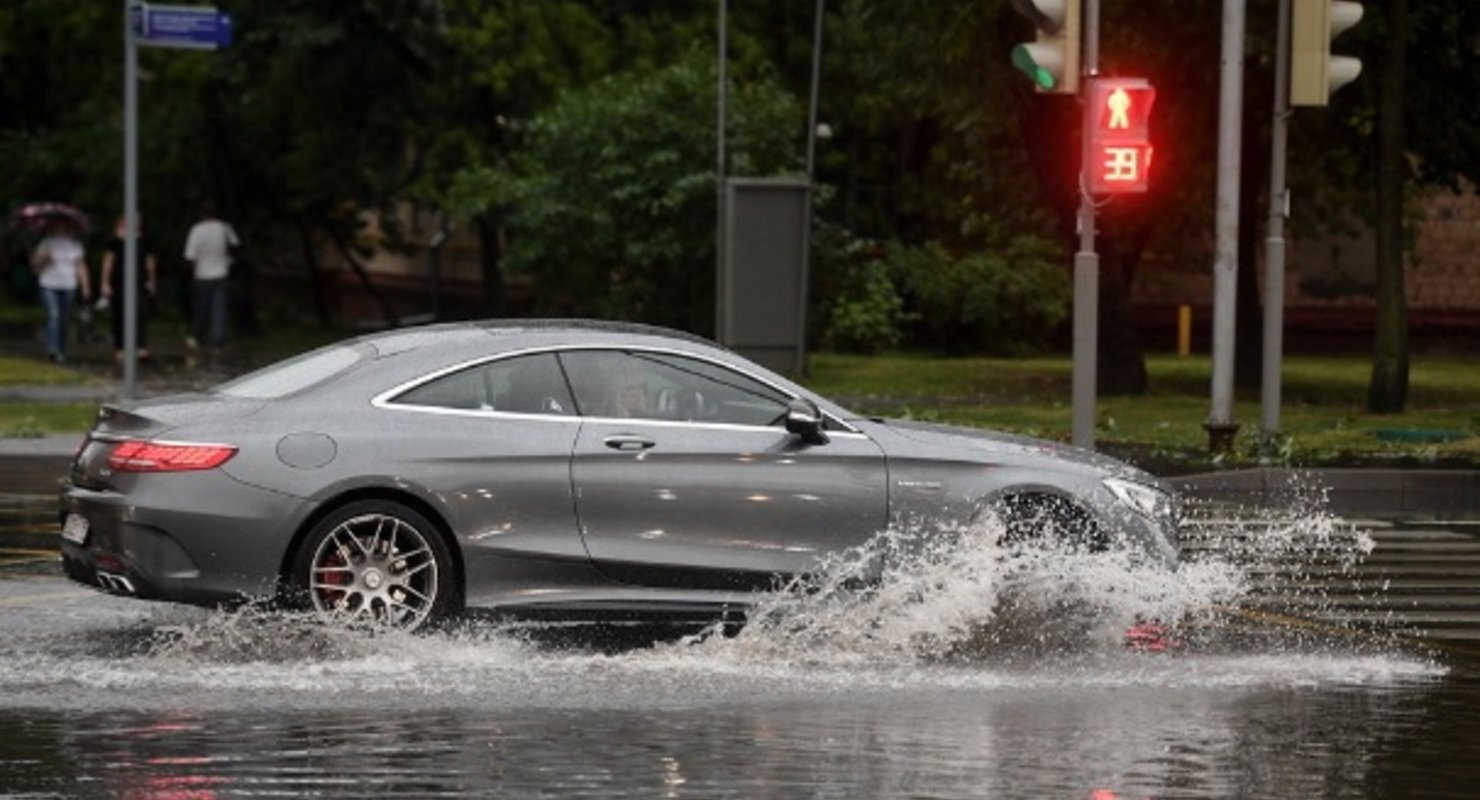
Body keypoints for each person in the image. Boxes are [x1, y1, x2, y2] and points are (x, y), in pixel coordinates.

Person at [99, 215, 158, 361]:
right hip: (119, 282)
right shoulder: (116, 241)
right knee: (119, 314)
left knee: (140, 312)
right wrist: (105, 283)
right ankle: (120, 348)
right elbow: (108, 261)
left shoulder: (144, 240)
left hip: (139, 281)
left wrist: (152, 280)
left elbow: (149, 262)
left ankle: (140, 346)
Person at [30, 221, 91, 363]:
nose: (62, 228)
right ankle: (53, 349)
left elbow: (80, 266)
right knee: (53, 316)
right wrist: (43, 259)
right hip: (48, 284)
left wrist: (85, 286)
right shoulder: (46, 243)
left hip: (68, 285)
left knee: (64, 319)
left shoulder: (75, 245)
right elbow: (35, 266)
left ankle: (61, 348)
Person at [183, 202, 239, 349]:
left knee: (202, 307)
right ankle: (218, 339)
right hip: (221, 272)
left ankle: (199, 336)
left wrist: (192, 274)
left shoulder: (197, 230)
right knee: (219, 308)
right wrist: (230, 262)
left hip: (202, 275)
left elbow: (190, 256)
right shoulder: (224, 227)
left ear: (202, 214)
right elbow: (235, 245)